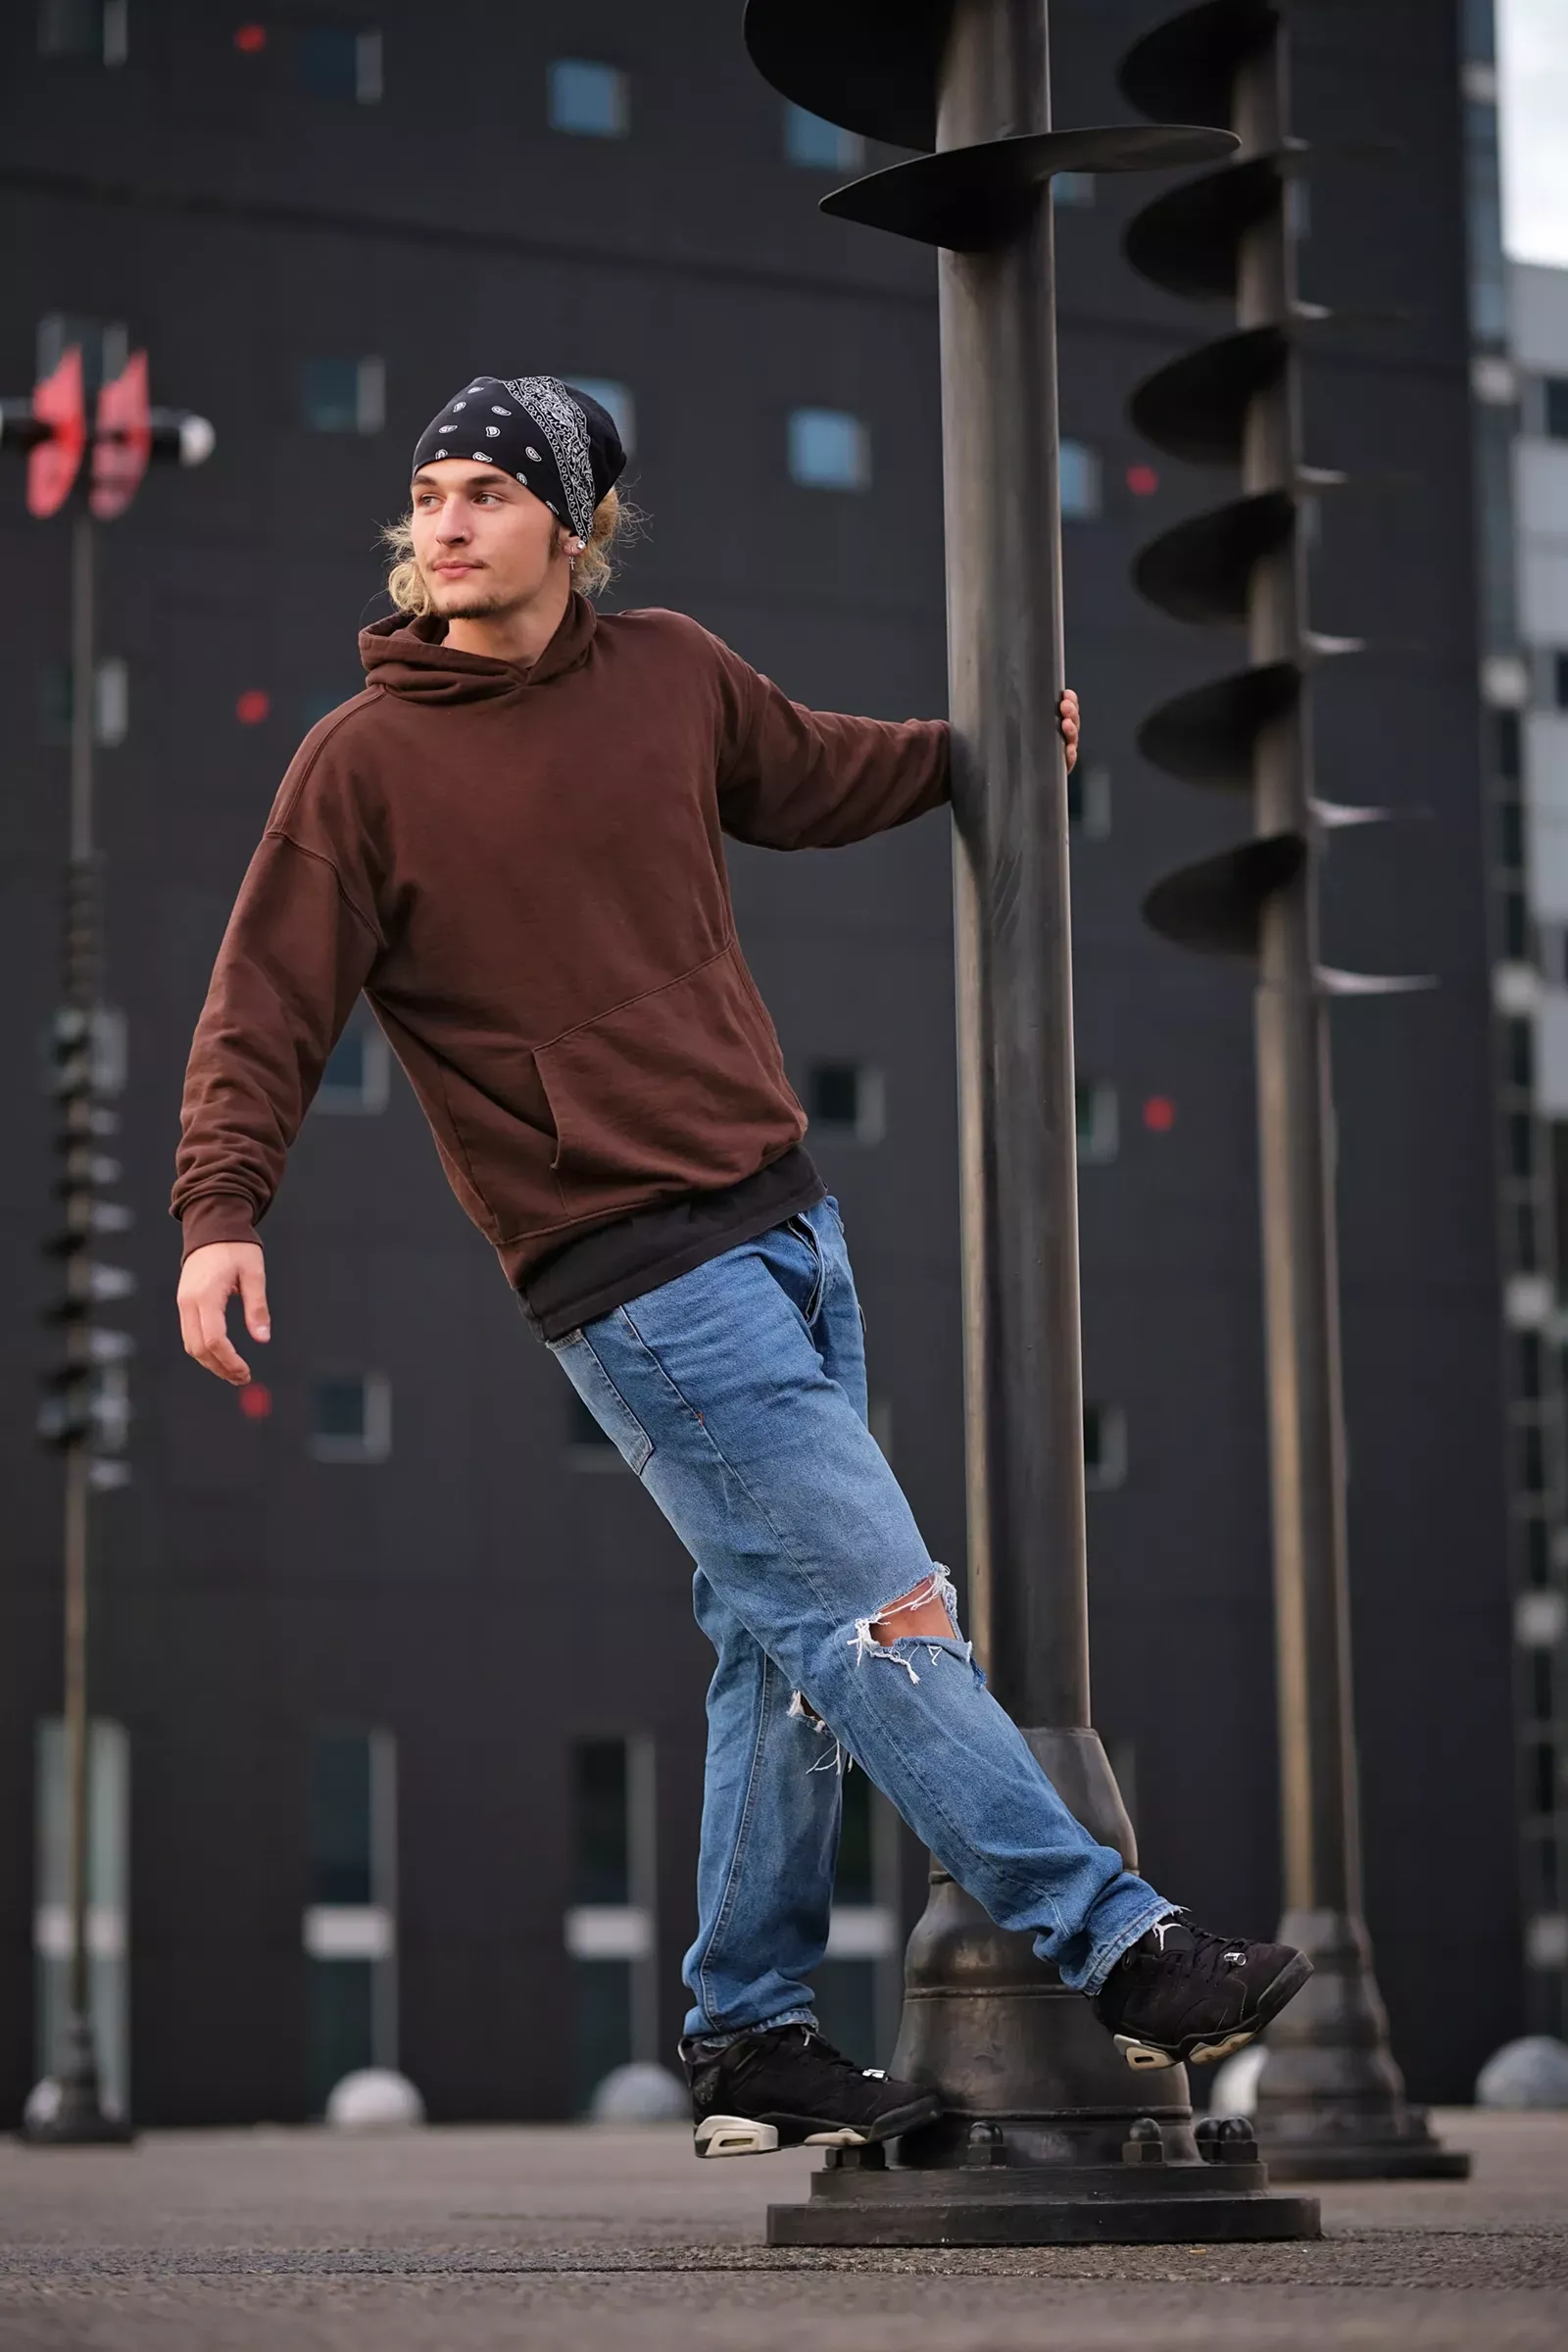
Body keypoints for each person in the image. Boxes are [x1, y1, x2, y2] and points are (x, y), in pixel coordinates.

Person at [173, 374, 1310, 2159]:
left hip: (785, 1224)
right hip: (627, 1269)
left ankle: (751, 2025)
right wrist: (220, 1212)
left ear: (574, 523)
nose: (447, 523)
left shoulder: (675, 675)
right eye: (432, 495)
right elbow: (263, 1007)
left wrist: (982, 748)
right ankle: (1121, 1944)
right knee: (878, 1612)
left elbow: (815, 768)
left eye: (488, 491)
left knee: (778, 1644)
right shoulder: (362, 764)